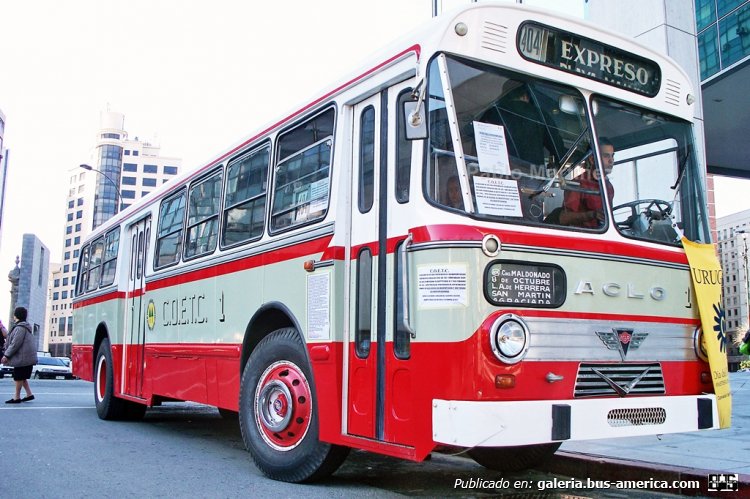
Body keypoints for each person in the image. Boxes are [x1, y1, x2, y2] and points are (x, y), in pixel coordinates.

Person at [559, 138, 615, 228]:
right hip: (582, 237)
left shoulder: (609, 187)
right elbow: (563, 218)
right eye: (606, 156)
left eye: (612, 156)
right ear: (592, 159)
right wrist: (592, 215)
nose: (611, 160)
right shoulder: (578, 183)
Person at [1, 307, 38, 404]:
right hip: (25, 358)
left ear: (16, 315)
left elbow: (15, 344)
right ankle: (29, 394)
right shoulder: (24, 327)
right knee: (22, 377)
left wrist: (6, 355)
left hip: (22, 358)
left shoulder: (20, 328)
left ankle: (16, 397)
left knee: (18, 377)